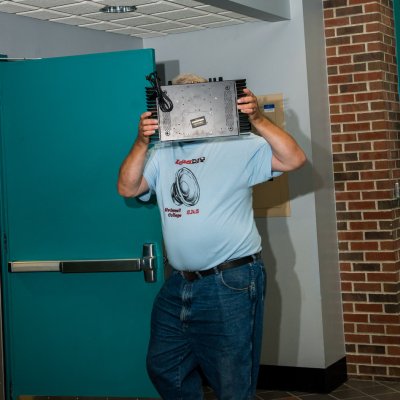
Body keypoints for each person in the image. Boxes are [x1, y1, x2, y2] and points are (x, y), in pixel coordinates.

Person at [117, 73, 306, 400]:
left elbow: (294, 159)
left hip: (230, 280)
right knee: (164, 365)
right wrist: (141, 142)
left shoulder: (240, 145)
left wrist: (258, 119)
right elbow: (127, 188)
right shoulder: (161, 152)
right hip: (180, 282)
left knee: (232, 381)